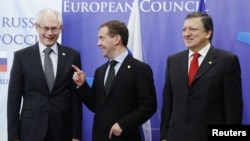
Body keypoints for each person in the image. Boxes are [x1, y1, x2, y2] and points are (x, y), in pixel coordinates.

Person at [160, 11, 242, 141]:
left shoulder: (226, 61)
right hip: (176, 135)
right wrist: (164, 136)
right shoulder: (173, 60)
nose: (186, 34)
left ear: (207, 33)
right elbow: (168, 102)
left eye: (192, 29)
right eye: (184, 29)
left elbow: (233, 108)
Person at [72, 20, 157, 141]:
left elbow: (149, 106)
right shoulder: (100, 71)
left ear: (117, 39)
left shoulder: (139, 69)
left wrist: (124, 124)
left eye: (102, 38)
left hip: (126, 137)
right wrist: (82, 85)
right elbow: (96, 106)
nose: (98, 43)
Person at [7, 8, 82, 141]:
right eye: (45, 28)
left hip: (63, 130)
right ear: (36, 27)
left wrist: (76, 135)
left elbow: (75, 100)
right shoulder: (22, 57)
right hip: (31, 130)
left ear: (61, 28)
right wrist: (13, 137)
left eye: (54, 28)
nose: (49, 33)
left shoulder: (72, 56)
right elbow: (13, 100)